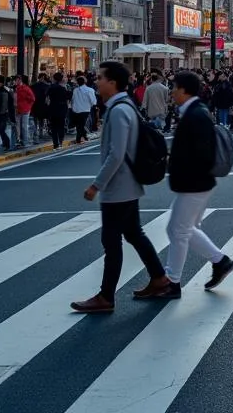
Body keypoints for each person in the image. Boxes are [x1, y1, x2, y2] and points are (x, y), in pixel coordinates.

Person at [72, 62, 170, 313]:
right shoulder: (125, 107)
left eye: (101, 78)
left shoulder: (118, 111)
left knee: (112, 241)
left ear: (113, 83)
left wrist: (97, 185)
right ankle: (159, 278)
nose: (97, 82)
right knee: (134, 234)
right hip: (128, 184)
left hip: (119, 187)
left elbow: (116, 154)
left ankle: (106, 296)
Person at [134, 71, 233, 300]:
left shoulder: (196, 115)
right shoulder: (195, 112)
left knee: (178, 229)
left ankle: (173, 281)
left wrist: (176, 165)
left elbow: (201, 153)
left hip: (195, 183)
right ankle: (220, 261)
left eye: (174, 88)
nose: (171, 92)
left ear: (184, 90)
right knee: (181, 228)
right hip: (196, 182)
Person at [46, 71, 70, 149]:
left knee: (54, 127)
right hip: (62, 108)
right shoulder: (63, 88)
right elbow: (68, 98)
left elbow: (47, 100)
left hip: (52, 108)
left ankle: (55, 143)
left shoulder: (50, 87)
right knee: (61, 126)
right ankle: (60, 141)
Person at [71, 75, 97, 143]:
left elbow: (73, 100)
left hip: (76, 110)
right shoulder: (90, 90)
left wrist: (73, 108)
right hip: (85, 109)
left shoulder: (75, 90)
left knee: (79, 125)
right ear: (85, 81)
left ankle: (81, 138)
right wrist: (91, 106)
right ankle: (81, 138)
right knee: (81, 125)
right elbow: (93, 101)